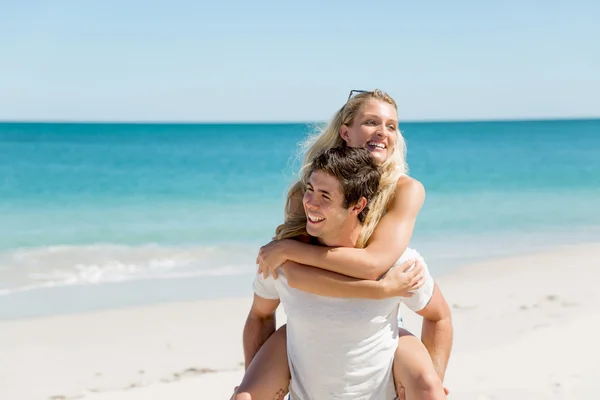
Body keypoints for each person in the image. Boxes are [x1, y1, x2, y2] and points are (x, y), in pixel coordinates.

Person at [236, 90, 453, 399]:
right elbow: (294, 277)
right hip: (317, 312)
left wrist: (289, 249)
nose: (382, 132)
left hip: (379, 313)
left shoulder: (405, 190)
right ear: (345, 132)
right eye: (371, 122)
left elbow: (375, 264)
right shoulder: (309, 191)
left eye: (391, 126)